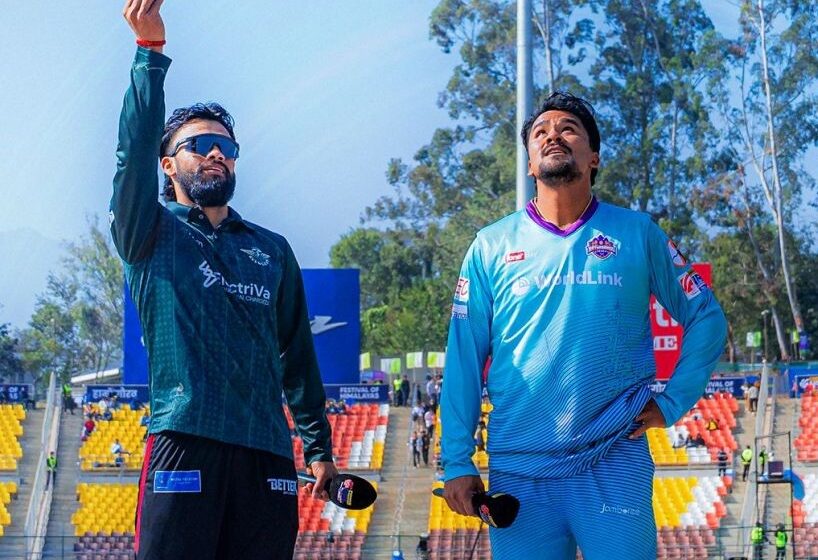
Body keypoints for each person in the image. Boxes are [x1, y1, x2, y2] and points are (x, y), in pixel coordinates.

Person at [440, 91, 728, 560]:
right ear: (529, 164)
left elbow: (707, 317)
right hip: (519, 469)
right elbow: (464, 359)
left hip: (614, 459)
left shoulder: (637, 232)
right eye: (540, 132)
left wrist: (672, 401)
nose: (552, 135)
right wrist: (456, 460)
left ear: (593, 156)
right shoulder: (490, 246)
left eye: (568, 129)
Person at [111, 3, 336, 558]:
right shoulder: (149, 231)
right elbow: (132, 154)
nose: (217, 152)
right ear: (167, 165)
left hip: (267, 453)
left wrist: (318, 447)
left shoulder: (272, 249)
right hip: (184, 440)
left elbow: (298, 356)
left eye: (228, 148)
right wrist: (149, 56)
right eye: (200, 145)